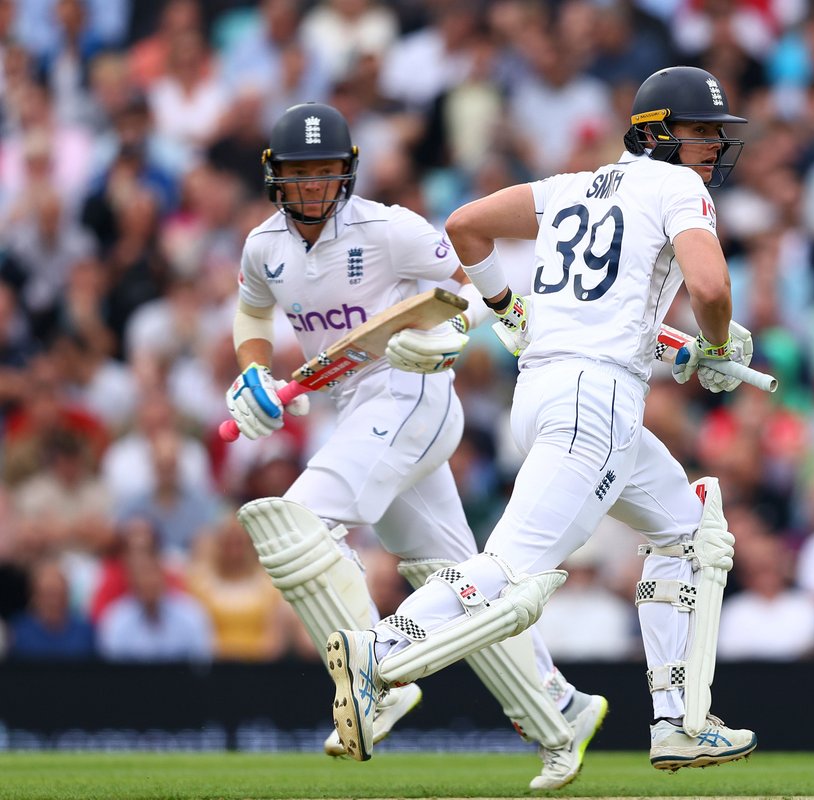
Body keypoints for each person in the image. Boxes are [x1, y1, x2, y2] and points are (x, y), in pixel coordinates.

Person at [326, 66, 759, 772]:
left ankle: (678, 721)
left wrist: (506, 307)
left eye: (717, 132)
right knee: (512, 570)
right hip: (598, 401)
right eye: (699, 130)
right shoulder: (679, 187)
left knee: (690, 532)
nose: (713, 144)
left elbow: (465, 226)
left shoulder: (570, 188)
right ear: (657, 133)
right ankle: (379, 648)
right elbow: (710, 286)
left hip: (545, 392)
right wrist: (714, 342)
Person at [221, 101, 605, 789]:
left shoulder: (389, 228)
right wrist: (253, 370)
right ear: (275, 175)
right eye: (301, 173)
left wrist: (444, 335)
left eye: (326, 172)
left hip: (412, 393)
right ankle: (560, 709)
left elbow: (469, 286)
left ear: (347, 173)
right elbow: (252, 311)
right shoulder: (264, 247)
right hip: (355, 406)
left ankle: (377, 682)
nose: (313, 186)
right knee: (452, 578)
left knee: (293, 523)